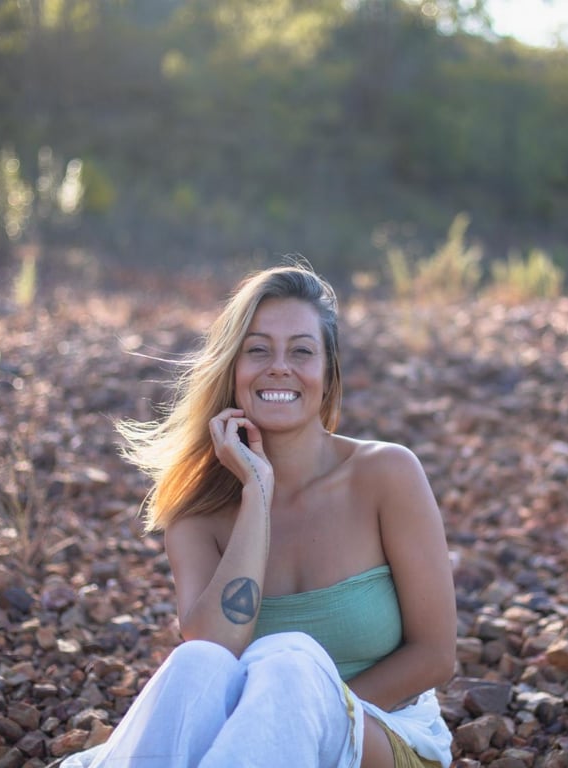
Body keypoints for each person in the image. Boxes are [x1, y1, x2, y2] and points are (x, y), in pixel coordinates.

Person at [60, 261, 457, 768]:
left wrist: (311, 708)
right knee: (194, 662)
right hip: (249, 742)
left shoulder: (386, 473)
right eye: (258, 350)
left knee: (288, 664)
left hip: (381, 731)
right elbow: (216, 650)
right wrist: (256, 492)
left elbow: (435, 655)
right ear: (232, 370)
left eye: (302, 351)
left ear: (327, 374)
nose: (279, 367)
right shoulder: (197, 512)